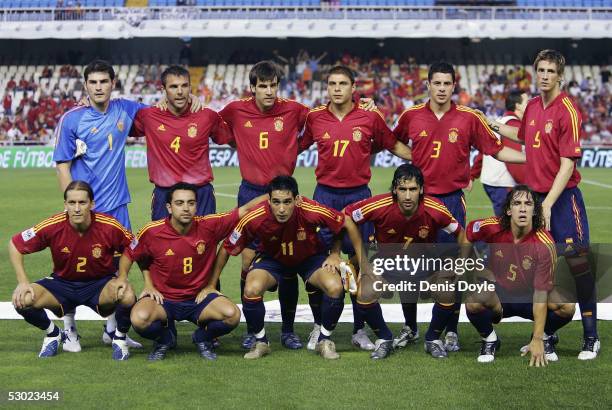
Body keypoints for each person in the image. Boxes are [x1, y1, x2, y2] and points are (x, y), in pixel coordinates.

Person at [392, 61, 526, 352]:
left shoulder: (469, 118)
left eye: (447, 84)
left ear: (454, 86)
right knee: (409, 267)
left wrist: (532, 158)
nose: (441, 89)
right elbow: (392, 141)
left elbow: (496, 149)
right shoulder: (411, 115)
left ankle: (450, 330)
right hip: (418, 203)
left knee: (452, 268)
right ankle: (410, 327)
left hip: (452, 201)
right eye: (436, 83)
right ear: (428, 84)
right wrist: (414, 158)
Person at [488, 49, 599, 360]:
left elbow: (567, 166)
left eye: (551, 71)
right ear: (535, 73)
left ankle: (591, 337)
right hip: (536, 199)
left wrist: (548, 204)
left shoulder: (568, 111)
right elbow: (523, 136)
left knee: (577, 265)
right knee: (540, 267)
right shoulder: (534, 106)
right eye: (541, 70)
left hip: (563, 200)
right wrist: (493, 125)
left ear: (560, 76)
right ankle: (547, 334)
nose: (545, 76)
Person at [299, 65, 413, 352]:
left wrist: (424, 161)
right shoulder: (315, 117)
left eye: (342, 83)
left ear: (353, 87)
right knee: (320, 263)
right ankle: (317, 325)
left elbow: (393, 144)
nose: (337, 88)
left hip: (359, 198)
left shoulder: (370, 116)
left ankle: (358, 330)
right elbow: (294, 147)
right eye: (332, 84)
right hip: (324, 197)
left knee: (359, 267)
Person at [218, 175, 364, 360]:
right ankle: (261, 342)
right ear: (268, 200)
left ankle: (324, 341)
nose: (281, 209)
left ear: (296, 200)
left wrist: (337, 254)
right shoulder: (255, 216)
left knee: (335, 287)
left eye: (287, 202)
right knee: (251, 288)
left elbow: (346, 222)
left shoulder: (310, 208)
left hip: (309, 258)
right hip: (273, 259)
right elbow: (226, 247)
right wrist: (210, 284)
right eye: (276, 202)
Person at [52, 59, 144, 352]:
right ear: (85, 85)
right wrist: (72, 206)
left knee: (118, 269)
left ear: (113, 83)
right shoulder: (72, 119)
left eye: (104, 81)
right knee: (71, 269)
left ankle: (112, 330)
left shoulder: (126, 109)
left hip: (117, 207)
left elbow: (162, 113)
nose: (98, 87)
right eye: (93, 82)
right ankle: (69, 331)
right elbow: (62, 165)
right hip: (86, 210)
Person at [125, 183, 264, 361]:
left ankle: (202, 338)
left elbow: (244, 210)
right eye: (180, 203)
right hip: (164, 298)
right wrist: (145, 283)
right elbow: (130, 254)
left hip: (198, 298)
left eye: (191, 203)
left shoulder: (209, 226)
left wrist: (273, 195)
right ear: (169, 207)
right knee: (139, 319)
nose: (186, 208)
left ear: (196, 205)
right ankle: (165, 339)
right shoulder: (152, 231)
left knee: (232, 315)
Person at [345, 164, 470, 359]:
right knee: (364, 291)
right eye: (402, 189)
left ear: (421, 189)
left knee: (448, 289)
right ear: (394, 189)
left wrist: (458, 266)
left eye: (413, 189)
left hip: (424, 264)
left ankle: (432, 339)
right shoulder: (380, 205)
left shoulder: (434, 208)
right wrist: (364, 261)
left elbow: (462, 234)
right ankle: (384, 338)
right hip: (388, 264)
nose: (408, 196)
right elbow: (347, 216)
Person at [9, 181, 136, 360]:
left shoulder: (109, 225)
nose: (77, 208)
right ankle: (53, 333)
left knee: (127, 295)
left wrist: (122, 276)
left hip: (100, 285)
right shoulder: (52, 225)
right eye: (72, 203)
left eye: (82, 203)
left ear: (92, 204)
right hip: (62, 285)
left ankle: (119, 338)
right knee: (22, 300)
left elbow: (133, 247)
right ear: (65, 205)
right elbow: (15, 244)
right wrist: (22, 282)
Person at [465, 185, 575, 365]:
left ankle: (545, 337)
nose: (523, 208)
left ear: (534, 210)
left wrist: (537, 339)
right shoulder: (493, 227)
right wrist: (471, 267)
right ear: (508, 210)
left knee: (567, 305)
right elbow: (469, 233)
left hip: (532, 297)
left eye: (528, 203)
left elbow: (541, 294)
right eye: (517, 203)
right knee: (473, 301)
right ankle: (490, 339)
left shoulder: (544, 243)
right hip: (499, 297)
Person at [131, 65, 234, 220]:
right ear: (163, 90)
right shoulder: (149, 116)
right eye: (173, 87)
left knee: (203, 243)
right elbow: (116, 120)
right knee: (163, 243)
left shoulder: (206, 116)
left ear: (190, 88)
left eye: (184, 86)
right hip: (164, 193)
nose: (180, 91)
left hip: (201, 193)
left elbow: (233, 139)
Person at [470, 90, 529, 216]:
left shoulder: (499, 120)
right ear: (518, 106)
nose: (530, 105)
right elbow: (513, 162)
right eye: (527, 102)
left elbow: (485, 150)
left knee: (506, 225)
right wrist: (527, 185)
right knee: (510, 227)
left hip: (491, 182)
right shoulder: (513, 124)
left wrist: (473, 175)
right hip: (504, 183)